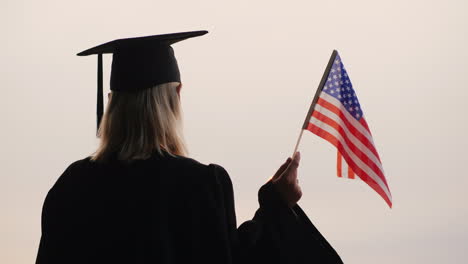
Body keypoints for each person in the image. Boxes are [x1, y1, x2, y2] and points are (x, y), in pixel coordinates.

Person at [35, 30, 343, 264]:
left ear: (113, 103)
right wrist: (276, 205)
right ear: (175, 96)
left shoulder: (71, 187)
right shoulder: (199, 185)